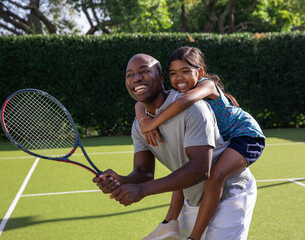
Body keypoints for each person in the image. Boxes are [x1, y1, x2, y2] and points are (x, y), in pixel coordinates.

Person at [93, 53, 258, 240]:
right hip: (194, 198)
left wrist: (143, 190)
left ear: (161, 78)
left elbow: (200, 169)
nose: (136, 78)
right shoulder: (140, 125)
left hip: (231, 193)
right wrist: (121, 181)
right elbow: (143, 173)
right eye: (129, 75)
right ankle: (169, 223)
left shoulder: (194, 108)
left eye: (144, 71)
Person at [134, 47, 265, 240]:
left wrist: (153, 122)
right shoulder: (178, 93)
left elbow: (186, 100)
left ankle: (194, 237)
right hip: (228, 137)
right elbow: (140, 102)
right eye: (173, 73)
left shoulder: (207, 85)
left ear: (200, 72)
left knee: (216, 176)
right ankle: (169, 223)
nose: (179, 78)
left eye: (185, 71)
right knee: (183, 171)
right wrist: (143, 119)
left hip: (245, 136)